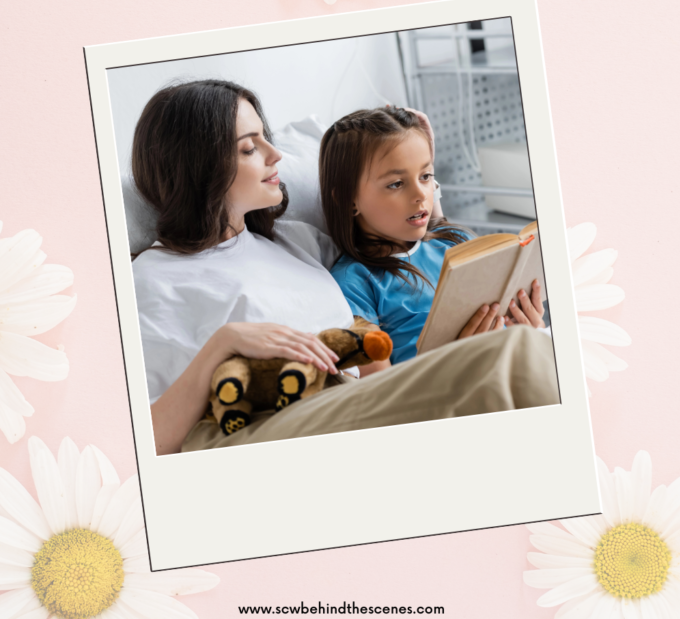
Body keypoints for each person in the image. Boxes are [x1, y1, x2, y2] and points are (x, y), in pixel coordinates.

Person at [131, 80, 559, 456]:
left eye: (267, 138)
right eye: (249, 147)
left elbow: (398, 230)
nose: (275, 154)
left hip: (350, 396)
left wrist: (424, 161)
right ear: (197, 169)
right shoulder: (154, 278)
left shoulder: (296, 242)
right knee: (518, 357)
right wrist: (223, 344)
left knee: (532, 350)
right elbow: (145, 442)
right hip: (256, 424)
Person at [321, 107, 546, 365]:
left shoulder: (454, 241)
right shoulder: (356, 282)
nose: (421, 195)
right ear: (349, 200)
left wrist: (527, 325)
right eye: (396, 183)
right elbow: (378, 392)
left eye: (426, 176)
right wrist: (457, 359)